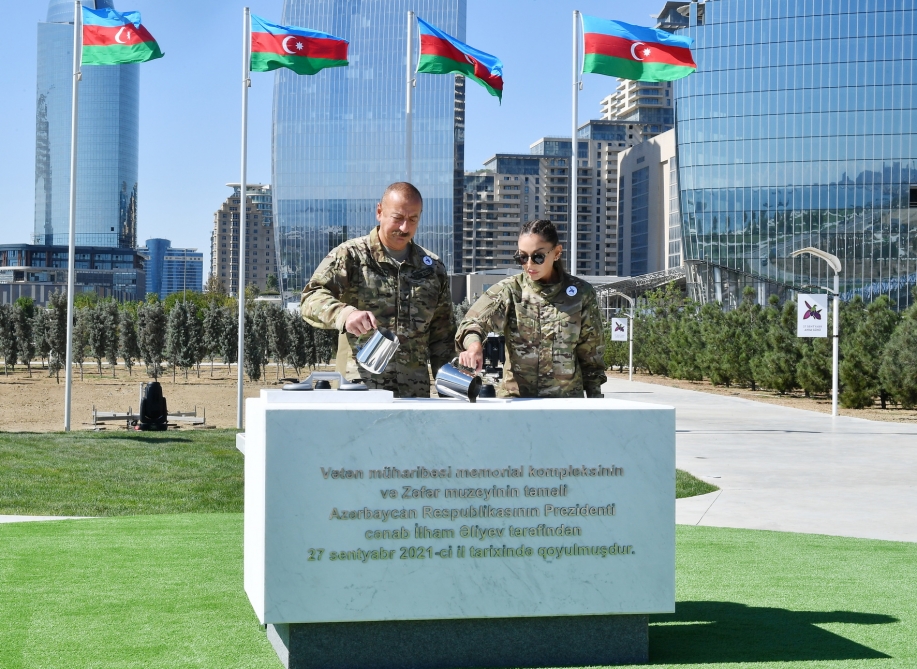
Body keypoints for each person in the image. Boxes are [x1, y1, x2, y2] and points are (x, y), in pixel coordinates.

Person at [301, 182, 455, 397]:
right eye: (398, 218)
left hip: (413, 394)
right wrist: (345, 314)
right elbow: (310, 298)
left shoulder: (432, 268)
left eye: (413, 219)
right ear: (379, 212)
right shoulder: (351, 256)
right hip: (359, 389)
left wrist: (450, 393)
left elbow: (443, 338)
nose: (404, 228)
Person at [455, 219, 606, 398]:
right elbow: (473, 323)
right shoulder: (510, 290)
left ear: (557, 252)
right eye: (522, 256)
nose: (529, 264)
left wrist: (594, 402)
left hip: (565, 404)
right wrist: (474, 346)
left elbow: (591, 356)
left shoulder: (581, 294)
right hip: (518, 403)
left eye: (538, 257)